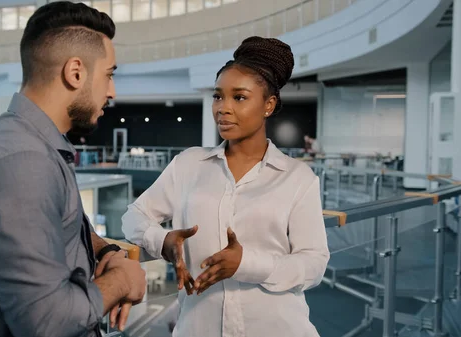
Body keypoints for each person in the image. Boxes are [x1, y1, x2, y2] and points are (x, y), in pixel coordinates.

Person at [0, 2, 146, 337]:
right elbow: (45, 323)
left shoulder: (31, 145)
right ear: (75, 72)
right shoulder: (23, 162)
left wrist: (109, 251)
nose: (112, 92)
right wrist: (121, 282)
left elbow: (66, 223)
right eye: (109, 75)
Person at [122, 36, 330, 337]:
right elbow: (133, 216)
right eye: (218, 96)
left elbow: (313, 264)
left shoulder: (297, 178)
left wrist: (246, 263)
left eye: (239, 97)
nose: (223, 108)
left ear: (268, 105)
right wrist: (162, 240)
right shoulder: (188, 165)